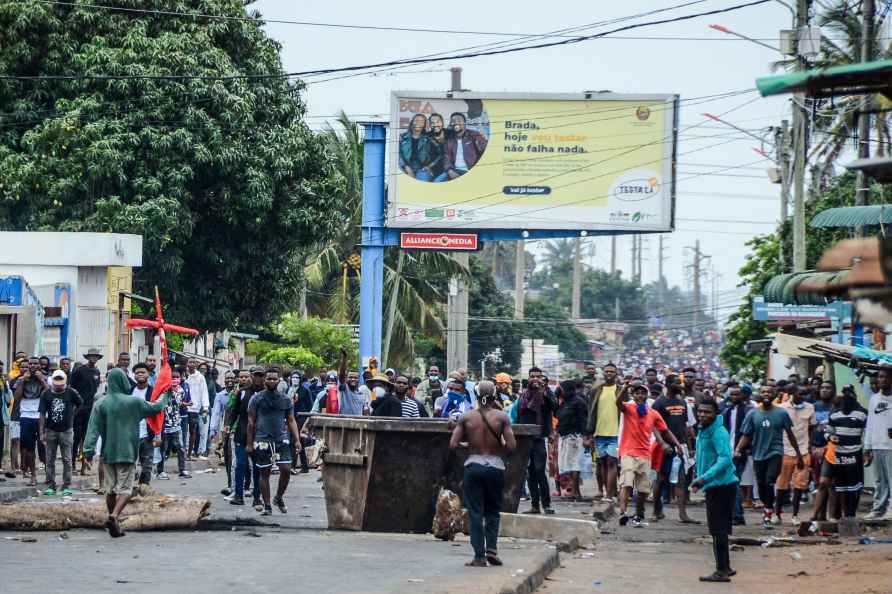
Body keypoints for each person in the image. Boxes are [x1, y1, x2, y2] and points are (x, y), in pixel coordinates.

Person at [83, 368, 168, 537]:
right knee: (126, 489)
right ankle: (114, 516)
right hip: (128, 451)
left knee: (111, 489)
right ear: (124, 382)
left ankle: (112, 520)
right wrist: (166, 393)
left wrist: (88, 451)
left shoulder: (100, 403)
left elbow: (92, 430)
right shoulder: (133, 402)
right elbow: (157, 407)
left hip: (108, 452)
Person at [449, 380, 516, 567]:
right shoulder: (502, 417)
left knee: (475, 512)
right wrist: (497, 449)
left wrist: (469, 446)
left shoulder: (466, 417)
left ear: (476, 395)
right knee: (493, 510)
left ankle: (479, 556)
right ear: (495, 395)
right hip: (495, 468)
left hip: (473, 466)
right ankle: (492, 550)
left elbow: (453, 445)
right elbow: (511, 445)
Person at [734, 386, 805, 529]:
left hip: (776, 452)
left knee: (770, 479)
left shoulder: (781, 413)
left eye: (769, 392)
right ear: (759, 395)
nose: (766, 394)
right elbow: (747, 435)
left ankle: (768, 512)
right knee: (761, 485)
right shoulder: (753, 414)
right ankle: (767, 508)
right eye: (764, 392)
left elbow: (790, 434)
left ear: (774, 395)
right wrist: (738, 449)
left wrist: (799, 454)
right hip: (759, 454)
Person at [616, 383, 684, 527]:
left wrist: (677, 445)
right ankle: (623, 513)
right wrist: (624, 388)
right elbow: (618, 403)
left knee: (643, 489)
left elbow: (665, 431)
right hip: (628, 452)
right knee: (626, 483)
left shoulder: (653, 413)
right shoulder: (629, 409)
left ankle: (639, 514)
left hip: (645, 454)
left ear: (646, 396)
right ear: (633, 396)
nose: (640, 395)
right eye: (637, 393)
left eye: (643, 393)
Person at [691, 398, 739, 583]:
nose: (702, 415)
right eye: (700, 411)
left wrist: (704, 477)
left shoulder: (718, 432)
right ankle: (725, 566)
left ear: (715, 414)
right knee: (720, 529)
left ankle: (721, 571)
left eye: (707, 412)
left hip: (721, 485)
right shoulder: (705, 430)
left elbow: (725, 459)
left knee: (718, 529)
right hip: (716, 485)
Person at [246, 369, 302, 516]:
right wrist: (249, 443)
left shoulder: (285, 399)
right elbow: (251, 422)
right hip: (262, 439)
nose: (271, 381)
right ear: (264, 380)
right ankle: (268, 505)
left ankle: (278, 497)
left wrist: (297, 439)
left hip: (281, 439)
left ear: (279, 381)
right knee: (264, 472)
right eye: (269, 379)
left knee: (286, 469)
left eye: (274, 379)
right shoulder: (256, 399)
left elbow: (291, 420)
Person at [651, 383, 698, 523]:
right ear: (669, 384)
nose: (680, 384)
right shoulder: (659, 403)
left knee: (681, 481)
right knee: (660, 479)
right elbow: (653, 426)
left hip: (680, 446)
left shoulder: (683, 402)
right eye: (676, 382)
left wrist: (689, 447)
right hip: (664, 447)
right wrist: (662, 443)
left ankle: (683, 515)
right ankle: (656, 510)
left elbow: (686, 427)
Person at [38, 370, 82, 496]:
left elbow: (80, 403)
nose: (59, 387)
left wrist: (72, 415)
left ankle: (66, 485)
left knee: (67, 459)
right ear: (52, 382)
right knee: (49, 459)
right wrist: (41, 432)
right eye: (56, 384)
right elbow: (42, 414)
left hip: (66, 431)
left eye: (61, 384)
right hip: (50, 430)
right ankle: (51, 485)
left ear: (65, 381)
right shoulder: (46, 394)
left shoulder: (71, 392)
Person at [776, 385, 816, 525]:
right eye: (800, 393)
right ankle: (777, 513)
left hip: (804, 451)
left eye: (805, 394)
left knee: (799, 486)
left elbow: (811, 427)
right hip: (785, 450)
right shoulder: (781, 408)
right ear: (792, 393)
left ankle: (794, 515)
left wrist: (809, 446)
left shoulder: (810, 408)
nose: (802, 396)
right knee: (782, 484)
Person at [518, 372, 557, 515]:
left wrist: (543, 392)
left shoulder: (546, 396)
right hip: (526, 438)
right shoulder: (524, 396)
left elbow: (554, 407)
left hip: (540, 438)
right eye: (532, 376)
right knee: (530, 473)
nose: (535, 379)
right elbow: (519, 414)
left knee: (540, 471)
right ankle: (535, 506)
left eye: (538, 377)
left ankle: (546, 505)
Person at [828, 385, 869, 523]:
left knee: (855, 486)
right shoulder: (834, 414)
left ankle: (852, 513)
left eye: (850, 394)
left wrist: (866, 452)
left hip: (855, 453)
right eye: (845, 394)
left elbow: (868, 433)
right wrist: (830, 437)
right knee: (841, 486)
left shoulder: (863, 413)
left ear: (854, 395)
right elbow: (828, 431)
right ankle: (844, 516)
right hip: (839, 455)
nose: (847, 397)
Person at [584, 362, 621, 509]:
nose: (609, 374)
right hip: (599, 432)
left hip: (615, 433)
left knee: (612, 462)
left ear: (616, 374)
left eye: (612, 371)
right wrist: (589, 433)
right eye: (607, 371)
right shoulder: (596, 390)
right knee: (602, 464)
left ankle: (610, 495)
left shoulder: (620, 390)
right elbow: (590, 412)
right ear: (603, 373)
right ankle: (607, 491)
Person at [225, 367, 262, 506]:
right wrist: (228, 424)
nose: (258, 378)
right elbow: (233, 411)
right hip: (242, 433)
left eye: (261, 375)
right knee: (240, 465)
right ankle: (238, 496)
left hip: (259, 436)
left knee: (258, 467)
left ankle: (257, 497)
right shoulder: (242, 393)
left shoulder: (265, 394)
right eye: (255, 375)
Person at [720, 383, 755, 525]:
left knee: (734, 482)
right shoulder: (727, 411)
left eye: (737, 394)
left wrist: (743, 449)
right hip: (726, 451)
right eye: (732, 394)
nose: (734, 396)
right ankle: (736, 514)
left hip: (739, 453)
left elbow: (750, 433)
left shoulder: (748, 411)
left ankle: (737, 515)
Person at [12, 357, 48, 486]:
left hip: (41, 414)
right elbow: (16, 397)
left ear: (39, 366)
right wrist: (22, 382)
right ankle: (33, 475)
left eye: (35, 364)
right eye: (30, 364)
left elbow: (49, 393)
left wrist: (42, 380)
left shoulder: (44, 377)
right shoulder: (21, 379)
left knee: (44, 445)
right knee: (28, 447)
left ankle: (49, 474)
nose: (32, 366)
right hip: (26, 414)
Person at [864, 367, 892, 520]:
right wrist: (867, 447)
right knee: (879, 480)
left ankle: (891, 510)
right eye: (880, 377)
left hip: (890, 446)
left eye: (885, 377)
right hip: (876, 445)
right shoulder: (874, 399)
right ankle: (878, 509)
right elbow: (870, 423)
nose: (882, 380)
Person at [69, 348, 102, 475]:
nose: (93, 358)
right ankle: (72, 465)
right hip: (78, 408)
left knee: (87, 438)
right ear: (87, 357)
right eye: (91, 356)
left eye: (96, 356)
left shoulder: (97, 372)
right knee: (76, 438)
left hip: (90, 408)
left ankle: (84, 466)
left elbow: (96, 389)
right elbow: (71, 388)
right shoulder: (79, 370)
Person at [556, 379, 587, 499]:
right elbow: (558, 414)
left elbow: (583, 420)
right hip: (566, 436)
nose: (561, 391)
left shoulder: (578, 402)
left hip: (575, 437)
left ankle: (576, 491)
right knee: (569, 464)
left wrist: (585, 436)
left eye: (562, 389)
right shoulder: (565, 402)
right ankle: (574, 491)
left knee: (575, 464)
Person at [156, 369, 190, 480]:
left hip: (176, 423)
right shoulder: (165, 391)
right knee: (163, 448)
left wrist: (186, 404)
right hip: (165, 424)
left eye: (177, 378)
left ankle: (182, 470)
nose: (175, 380)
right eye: (172, 378)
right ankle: (160, 471)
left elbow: (178, 403)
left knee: (180, 447)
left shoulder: (181, 390)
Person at [438, 112, 488, 181]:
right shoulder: (449, 140)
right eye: (453, 121)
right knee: (438, 181)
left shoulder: (474, 135)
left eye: (459, 120)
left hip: (470, 171)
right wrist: (450, 171)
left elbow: (484, 151)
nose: (456, 123)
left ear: (465, 123)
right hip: (454, 170)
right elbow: (447, 158)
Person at [131, 363, 156, 486]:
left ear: (148, 374)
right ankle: (129, 492)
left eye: (143, 372)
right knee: (130, 466)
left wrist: (158, 435)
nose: (140, 374)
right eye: (137, 372)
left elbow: (159, 414)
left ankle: (144, 490)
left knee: (147, 467)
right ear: (134, 375)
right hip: (131, 435)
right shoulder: (129, 391)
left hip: (147, 435)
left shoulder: (153, 392)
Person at [210, 371, 235, 493]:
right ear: (224, 381)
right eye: (227, 378)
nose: (230, 380)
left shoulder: (240, 393)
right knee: (228, 457)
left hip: (239, 430)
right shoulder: (220, 396)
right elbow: (216, 413)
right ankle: (230, 483)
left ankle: (244, 485)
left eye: (232, 378)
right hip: (226, 431)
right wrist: (213, 430)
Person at [399, 113, 440, 181]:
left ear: (424, 125)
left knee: (421, 184)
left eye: (422, 122)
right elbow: (398, 153)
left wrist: (430, 166)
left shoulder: (429, 139)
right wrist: (406, 167)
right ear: (412, 122)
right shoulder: (403, 137)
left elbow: (440, 153)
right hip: (405, 167)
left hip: (422, 169)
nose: (418, 123)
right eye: (416, 120)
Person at [185, 358, 209, 459]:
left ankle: (190, 452)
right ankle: (184, 451)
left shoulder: (200, 377)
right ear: (187, 364)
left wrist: (205, 407)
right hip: (184, 408)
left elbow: (204, 392)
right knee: (184, 431)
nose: (192, 364)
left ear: (196, 364)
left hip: (195, 408)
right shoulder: (184, 376)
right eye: (190, 362)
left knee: (193, 431)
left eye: (194, 362)